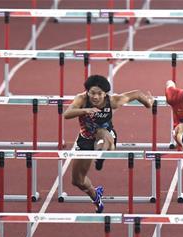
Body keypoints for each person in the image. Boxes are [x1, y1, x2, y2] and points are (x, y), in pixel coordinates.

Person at [64, 74, 153, 213]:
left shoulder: (112, 101)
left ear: (105, 93)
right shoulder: (81, 99)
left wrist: (148, 104)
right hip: (86, 138)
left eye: (99, 94)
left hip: (106, 135)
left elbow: (136, 94)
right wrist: (85, 110)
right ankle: (96, 195)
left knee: (102, 133)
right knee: (77, 181)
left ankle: (100, 157)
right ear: (87, 91)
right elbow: (67, 113)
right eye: (92, 93)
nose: (95, 97)